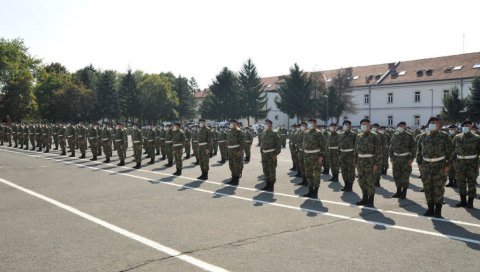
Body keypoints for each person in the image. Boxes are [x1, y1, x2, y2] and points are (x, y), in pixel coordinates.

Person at [416, 117, 453, 218]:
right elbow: (419, 152)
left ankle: (438, 211)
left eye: (436, 123)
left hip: (439, 166)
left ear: (439, 125)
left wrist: (447, 166)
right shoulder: (423, 136)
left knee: (438, 189)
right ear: (428, 124)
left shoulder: (444, 136)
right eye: (432, 123)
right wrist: (419, 164)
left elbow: (451, 152)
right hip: (426, 166)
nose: (434, 124)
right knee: (427, 189)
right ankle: (430, 209)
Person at [452, 120, 480, 208]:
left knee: (471, 183)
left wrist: (479, 163)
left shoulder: (477, 138)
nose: (466, 127)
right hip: (460, 163)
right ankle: (463, 201)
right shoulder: (457, 137)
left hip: (472, 163)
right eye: (464, 125)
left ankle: (470, 202)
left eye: (468, 125)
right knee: (461, 182)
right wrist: (453, 162)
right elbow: (453, 150)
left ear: (471, 127)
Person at [355, 119, 382, 207]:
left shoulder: (374, 136)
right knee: (361, 181)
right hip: (360, 162)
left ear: (369, 125)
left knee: (370, 182)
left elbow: (378, 151)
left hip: (370, 162)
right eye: (362, 124)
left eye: (366, 124)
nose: (364, 126)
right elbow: (356, 150)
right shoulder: (359, 136)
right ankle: (364, 198)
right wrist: (356, 162)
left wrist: (376, 164)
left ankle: (370, 201)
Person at [389, 121, 416, 199]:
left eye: (403, 126)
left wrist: (411, 159)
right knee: (396, 175)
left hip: (405, 159)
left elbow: (414, 148)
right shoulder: (394, 135)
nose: (402, 128)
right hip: (396, 158)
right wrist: (391, 157)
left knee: (405, 176)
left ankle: (404, 193)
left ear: (405, 127)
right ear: (397, 127)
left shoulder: (409, 135)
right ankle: (398, 191)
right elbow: (391, 147)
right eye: (400, 126)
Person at [301, 119, 326, 199]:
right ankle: (310, 190)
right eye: (309, 123)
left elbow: (324, 145)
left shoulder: (319, 133)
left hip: (315, 156)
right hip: (307, 156)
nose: (310, 124)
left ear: (315, 124)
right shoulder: (306, 132)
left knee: (316, 175)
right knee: (308, 174)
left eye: (311, 123)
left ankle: (315, 192)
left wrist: (321, 156)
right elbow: (303, 144)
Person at [260, 119, 281, 192]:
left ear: (271, 125)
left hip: (271, 155)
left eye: (267, 124)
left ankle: (271, 186)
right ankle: (267, 184)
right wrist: (262, 154)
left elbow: (278, 145)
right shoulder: (263, 133)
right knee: (265, 170)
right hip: (264, 154)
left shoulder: (274, 134)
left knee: (271, 170)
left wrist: (276, 154)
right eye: (265, 123)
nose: (265, 125)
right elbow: (262, 144)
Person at [339, 120, 357, 192]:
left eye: (347, 124)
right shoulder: (341, 134)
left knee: (351, 171)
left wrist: (355, 156)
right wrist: (339, 153)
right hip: (343, 155)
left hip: (350, 155)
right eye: (344, 124)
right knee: (344, 170)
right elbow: (339, 144)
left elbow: (356, 146)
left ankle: (350, 186)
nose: (345, 126)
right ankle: (346, 185)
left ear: (350, 126)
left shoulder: (354, 134)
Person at [226, 119, 246, 185]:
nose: (231, 124)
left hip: (236, 150)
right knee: (231, 165)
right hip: (230, 151)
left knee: (236, 165)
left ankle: (236, 180)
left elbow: (242, 142)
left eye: (233, 123)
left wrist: (239, 151)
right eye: (230, 123)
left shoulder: (239, 131)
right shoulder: (229, 131)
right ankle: (233, 178)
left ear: (236, 124)